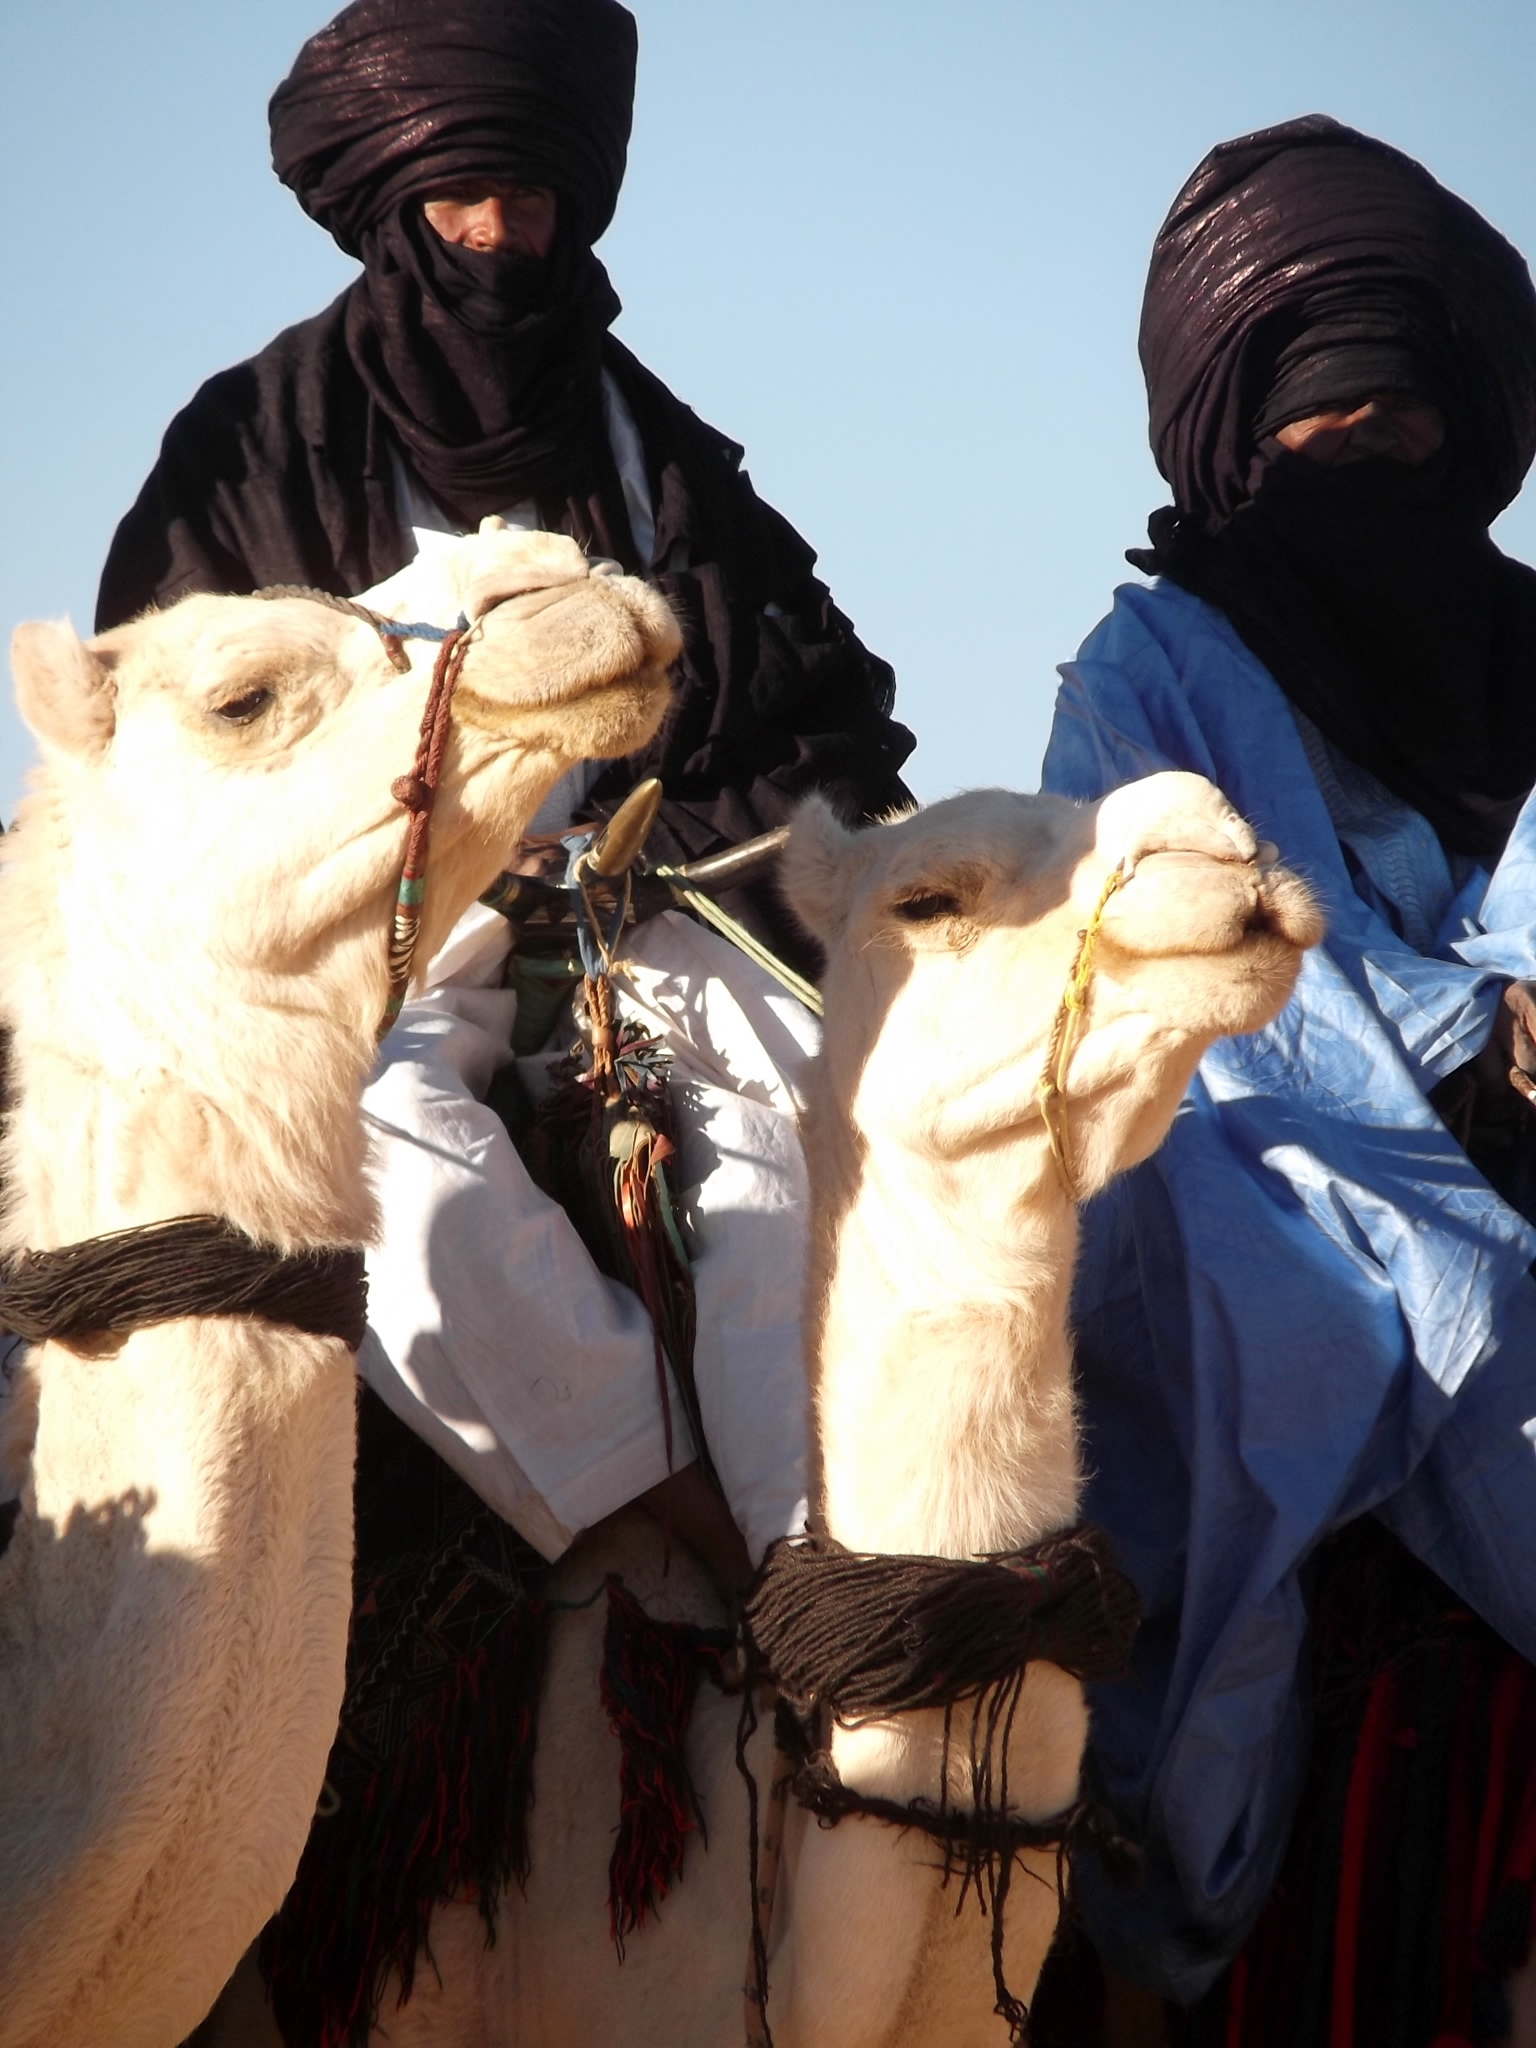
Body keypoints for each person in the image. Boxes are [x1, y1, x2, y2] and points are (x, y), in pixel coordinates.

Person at [96, 0, 914, 1583]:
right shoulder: (252, 448)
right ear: (394, 205)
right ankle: (672, 1520)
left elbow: (797, 720)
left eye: (525, 198)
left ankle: (823, 1589)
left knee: (808, 1134)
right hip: (379, 939)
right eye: (461, 198)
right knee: (370, 1143)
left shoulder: (655, 453)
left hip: (650, 909)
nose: (493, 236)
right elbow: (171, 756)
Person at [1035, 116, 1536, 2034]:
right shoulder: (1150, 669)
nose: (1370, 460)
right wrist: (1461, 1033)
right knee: (1314, 1318)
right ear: (1248, 441)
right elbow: (1168, 952)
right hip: (1249, 1132)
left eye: (1402, 427)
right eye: (1330, 430)